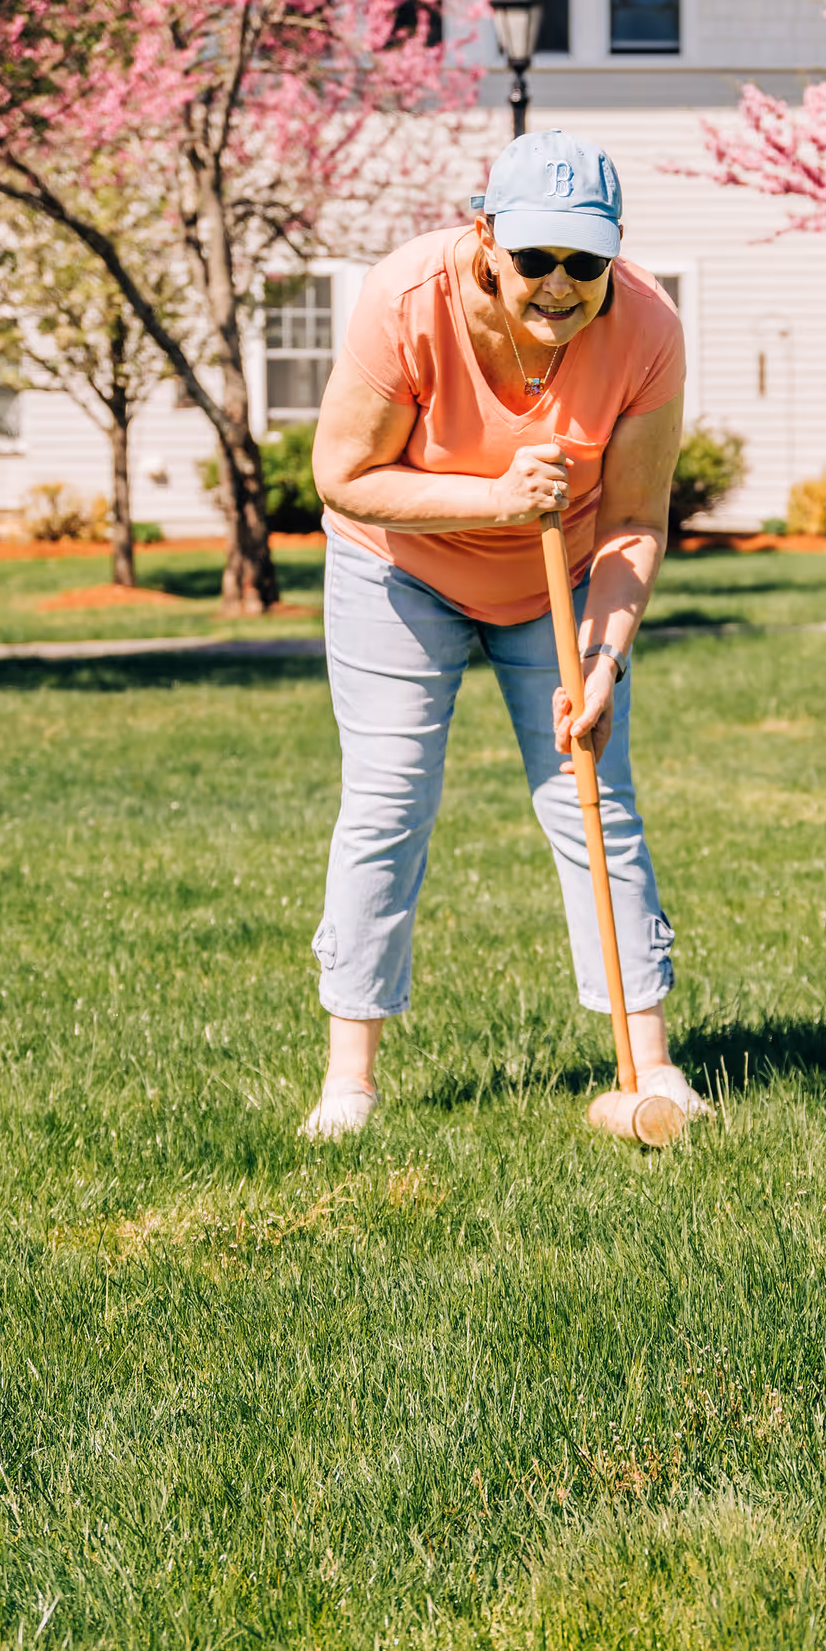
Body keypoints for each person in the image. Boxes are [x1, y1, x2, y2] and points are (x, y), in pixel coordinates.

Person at [303, 130, 705, 1140]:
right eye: (536, 259)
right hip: (398, 570)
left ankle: (650, 1067)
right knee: (390, 802)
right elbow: (344, 475)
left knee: (592, 795)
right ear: (487, 238)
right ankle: (349, 1083)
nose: (560, 284)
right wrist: (491, 499)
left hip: (557, 580)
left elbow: (634, 522)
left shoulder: (648, 331)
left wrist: (607, 659)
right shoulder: (406, 302)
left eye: (586, 262)